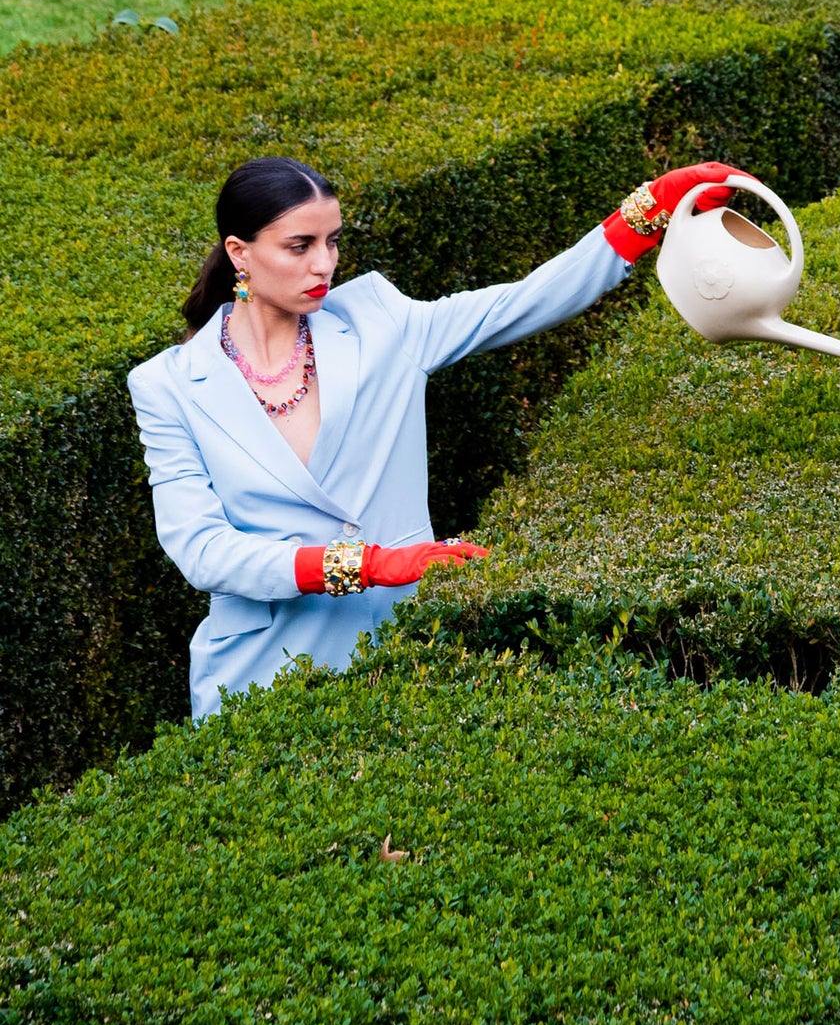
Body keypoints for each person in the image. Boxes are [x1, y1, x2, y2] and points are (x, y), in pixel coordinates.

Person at [128, 154, 747, 720]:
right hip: (255, 680)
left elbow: (521, 303)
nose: (324, 264)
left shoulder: (381, 320)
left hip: (404, 658)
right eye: (300, 246)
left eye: (332, 241)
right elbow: (203, 551)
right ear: (239, 253)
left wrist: (646, 211)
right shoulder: (169, 386)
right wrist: (369, 564)